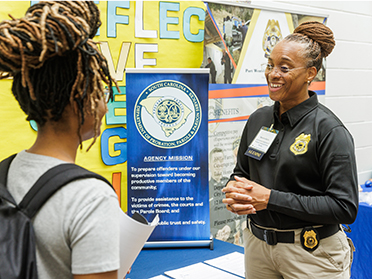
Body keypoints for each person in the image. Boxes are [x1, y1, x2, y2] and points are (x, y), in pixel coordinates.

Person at [222, 21, 358, 278]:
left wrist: (270, 199)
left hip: (312, 254)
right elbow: (241, 172)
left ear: (310, 73)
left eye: (284, 67)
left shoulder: (330, 131)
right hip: (257, 247)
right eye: (270, 65)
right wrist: (236, 192)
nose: (273, 73)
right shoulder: (258, 120)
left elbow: (344, 207)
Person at [0, 2, 124, 279]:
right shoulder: (91, 197)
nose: (106, 103)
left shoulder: (6, 171)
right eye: (101, 90)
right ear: (79, 99)